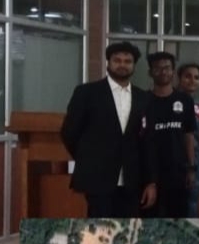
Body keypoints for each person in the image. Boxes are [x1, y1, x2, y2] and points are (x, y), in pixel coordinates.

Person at [61, 41, 155, 218]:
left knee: (127, 229)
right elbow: (69, 132)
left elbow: (147, 141)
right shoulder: (87, 93)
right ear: (108, 63)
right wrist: (89, 158)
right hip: (98, 177)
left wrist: (150, 181)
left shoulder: (143, 98)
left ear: (134, 66)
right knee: (100, 228)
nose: (122, 65)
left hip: (132, 179)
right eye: (117, 60)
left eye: (127, 61)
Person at [143, 51, 196, 218]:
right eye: (157, 68)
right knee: (149, 216)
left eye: (167, 68)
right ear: (150, 72)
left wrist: (191, 168)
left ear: (173, 72)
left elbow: (188, 135)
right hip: (149, 171)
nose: (163, 72)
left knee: (178, 216)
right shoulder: (142, 100)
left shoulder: (185, 100)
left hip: (178, 170)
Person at [177, 63, 199, 217]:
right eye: (187, 76)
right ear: (179, 78)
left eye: (196, 77)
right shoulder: (172, 101)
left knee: (195, 203)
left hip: (197, 162)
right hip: (176, 160)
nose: (192, 81)